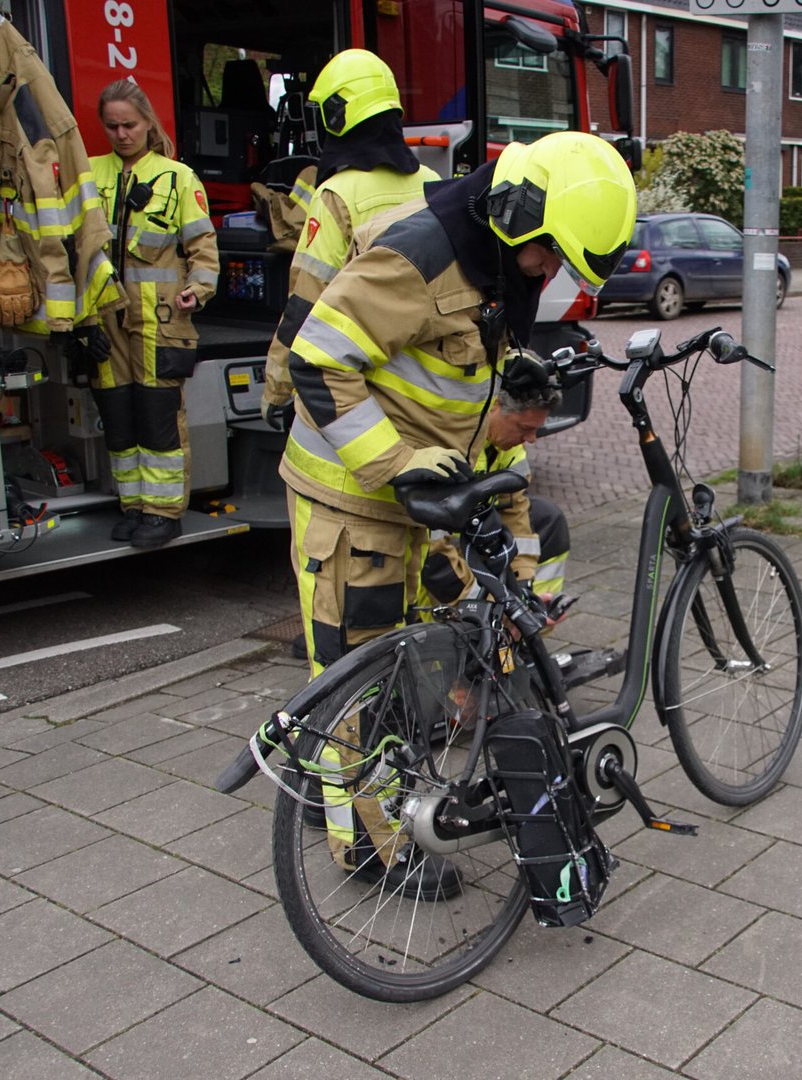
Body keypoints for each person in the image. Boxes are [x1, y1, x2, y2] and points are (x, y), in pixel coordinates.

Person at [279, 130, 635, 894]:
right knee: (361, 686)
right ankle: (371, 853)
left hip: (406, 500)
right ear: (520, 213)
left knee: (382, 672)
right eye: (549, 256)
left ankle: (331, 798)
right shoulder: (420, 256)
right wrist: (397, 463)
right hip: (356, 494)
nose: (549, 272)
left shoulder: (494, 256)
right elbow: (317, 356)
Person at [258, 49, 439, 430]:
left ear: (336, 116)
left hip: (359, 382)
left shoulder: (336, 196)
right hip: (428, 384)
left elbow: (305, 302)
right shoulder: (435, 185)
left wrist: (278, 387)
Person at [88, 80, 219, 548]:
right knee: (119, 413)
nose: (122, 134)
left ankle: (164, 512)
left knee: (158, 414)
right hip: (106, 318)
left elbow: (203, 248)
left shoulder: (177, 177)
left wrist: (198, 290)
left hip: (162, 319)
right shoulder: (89, 174)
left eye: (130, 124)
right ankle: (134, 506)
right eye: (113, 126)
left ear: (148, 122)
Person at [419, 350, 569, 608]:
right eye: (524, 428)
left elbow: (516, 513)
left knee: (546, 518)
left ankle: (528, 630)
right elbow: (431, 555)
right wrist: (486, 608)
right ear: (493, 406)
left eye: (536, 429)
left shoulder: (508, 448)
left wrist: (522, 589)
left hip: (460, 551)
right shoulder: (447, 449)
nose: (532, 439)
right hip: (429, 572)